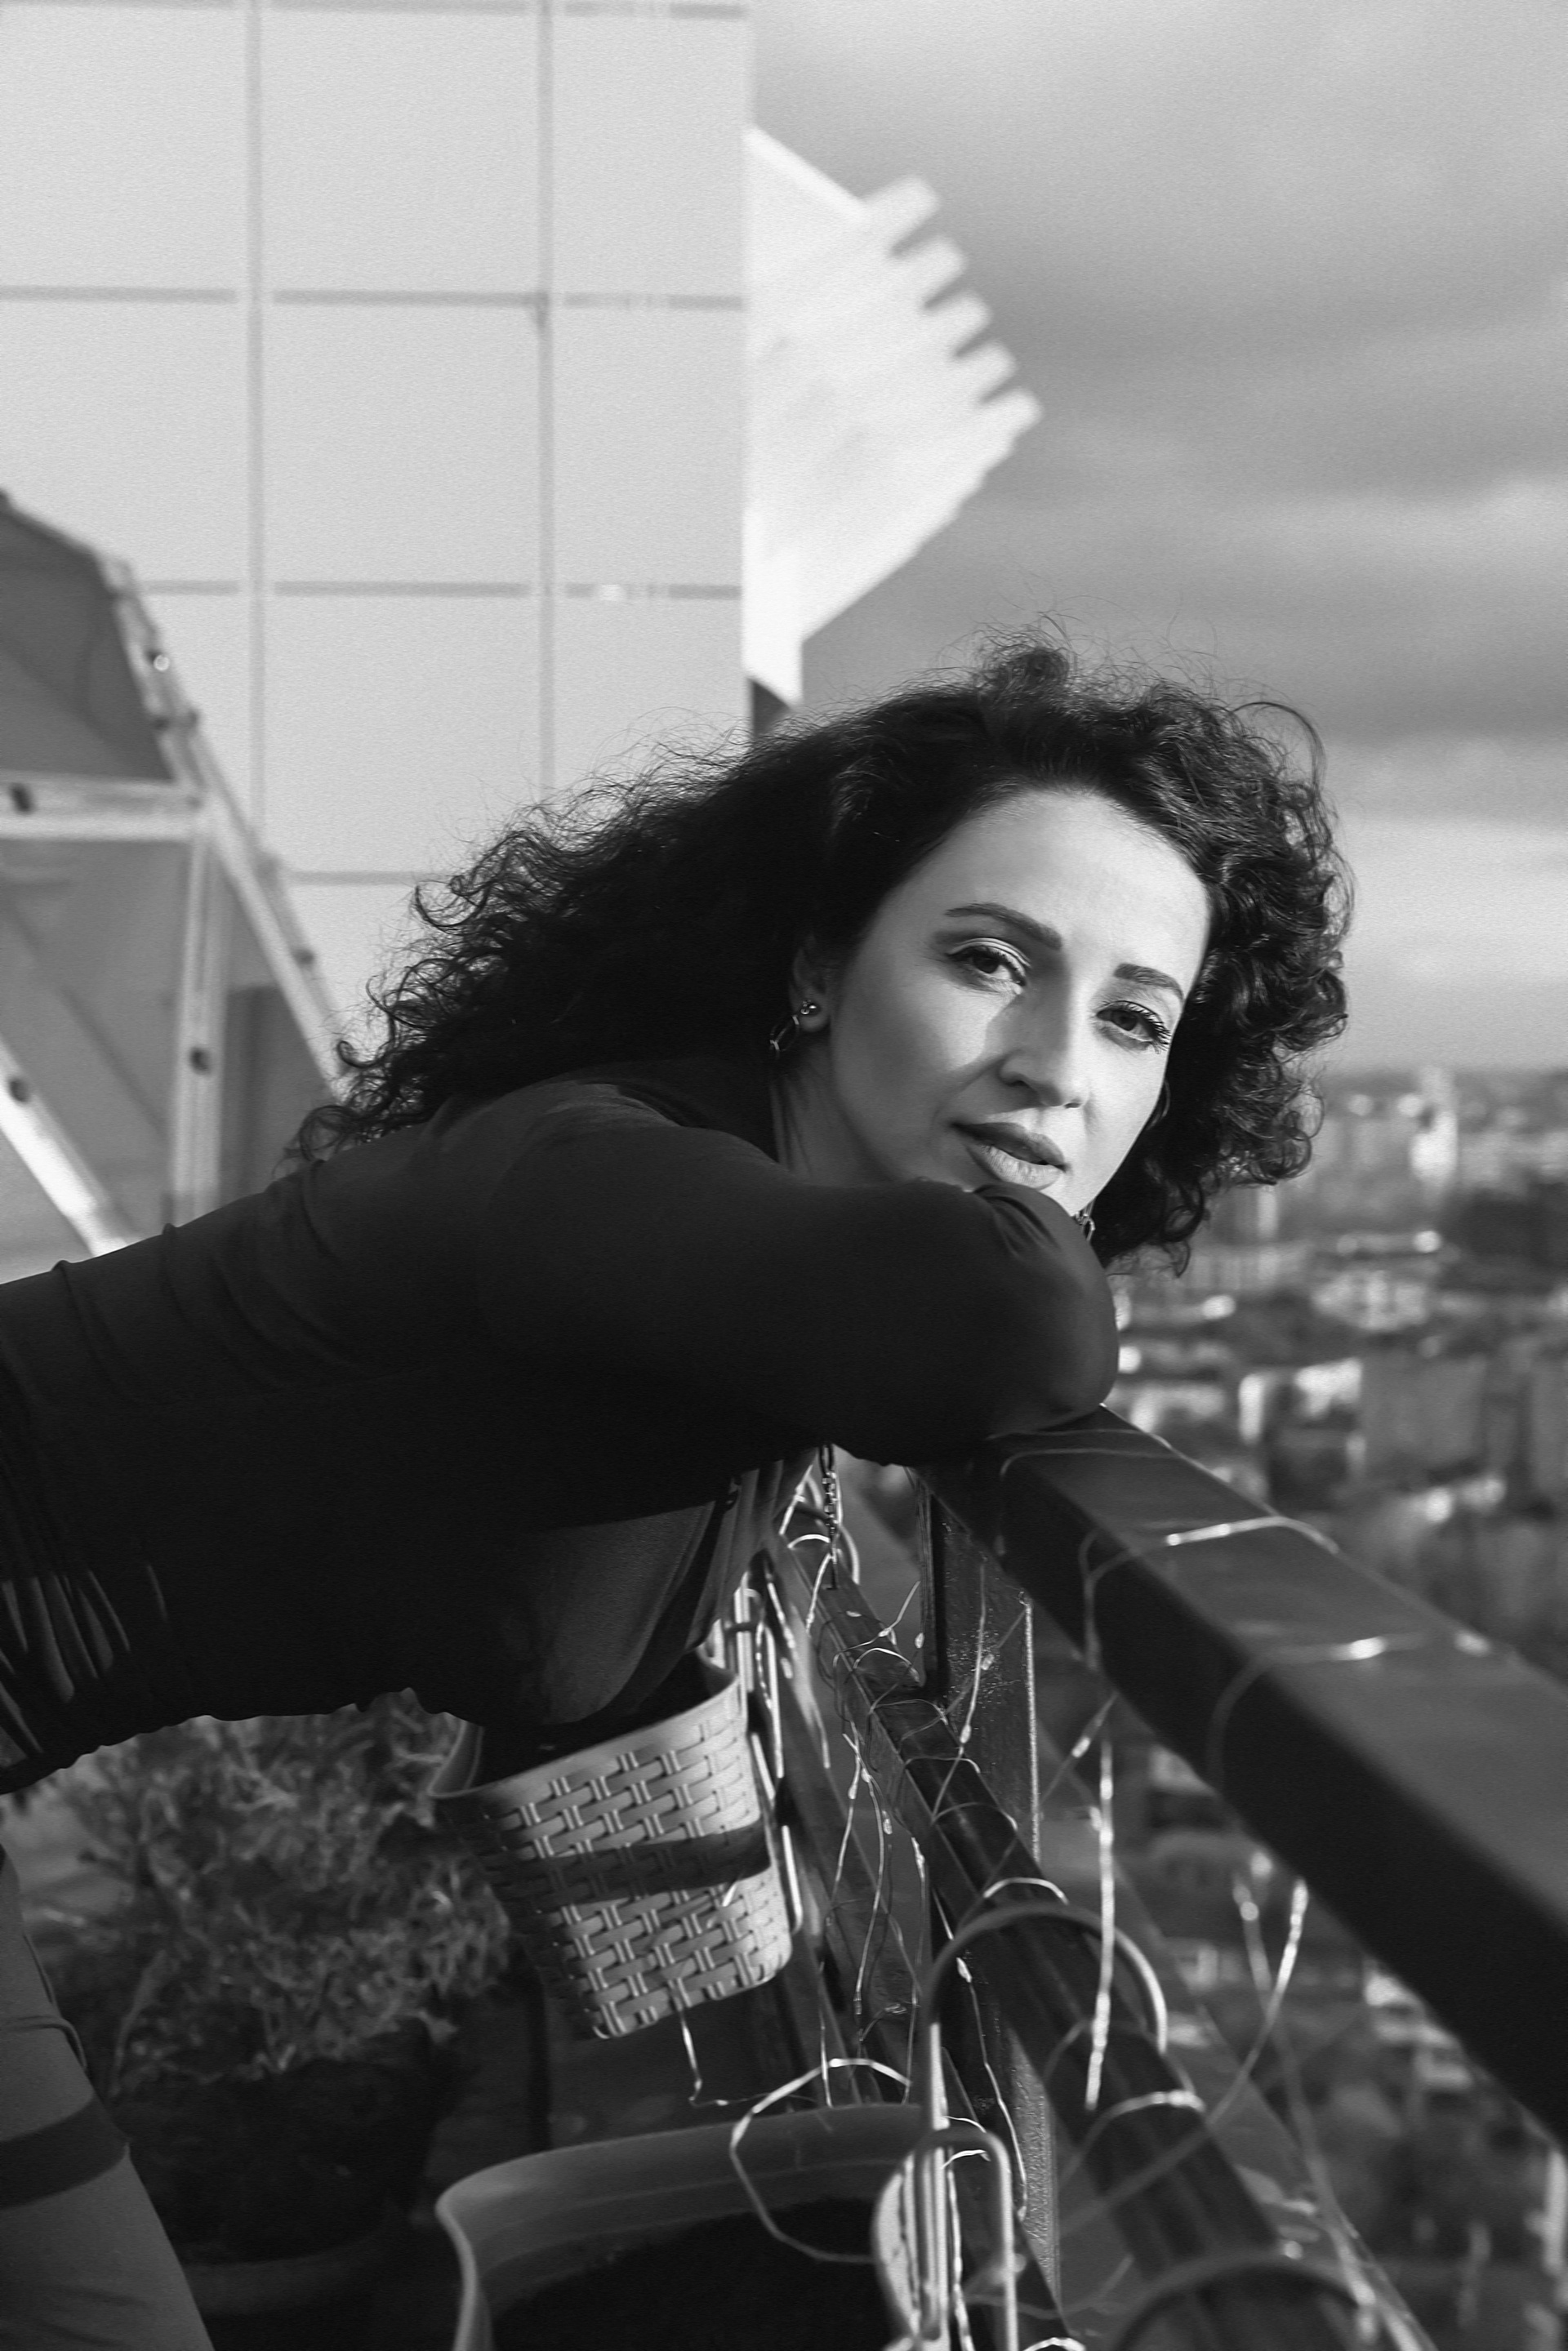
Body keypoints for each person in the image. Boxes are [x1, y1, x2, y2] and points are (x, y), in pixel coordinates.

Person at [0, 635, 1348, 2345]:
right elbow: (1011, 1322)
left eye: (1135, 1019)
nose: (1058, 1064)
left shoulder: (751, 1282)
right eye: (991, 960)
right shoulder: (601, 1174)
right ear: (815, 965)